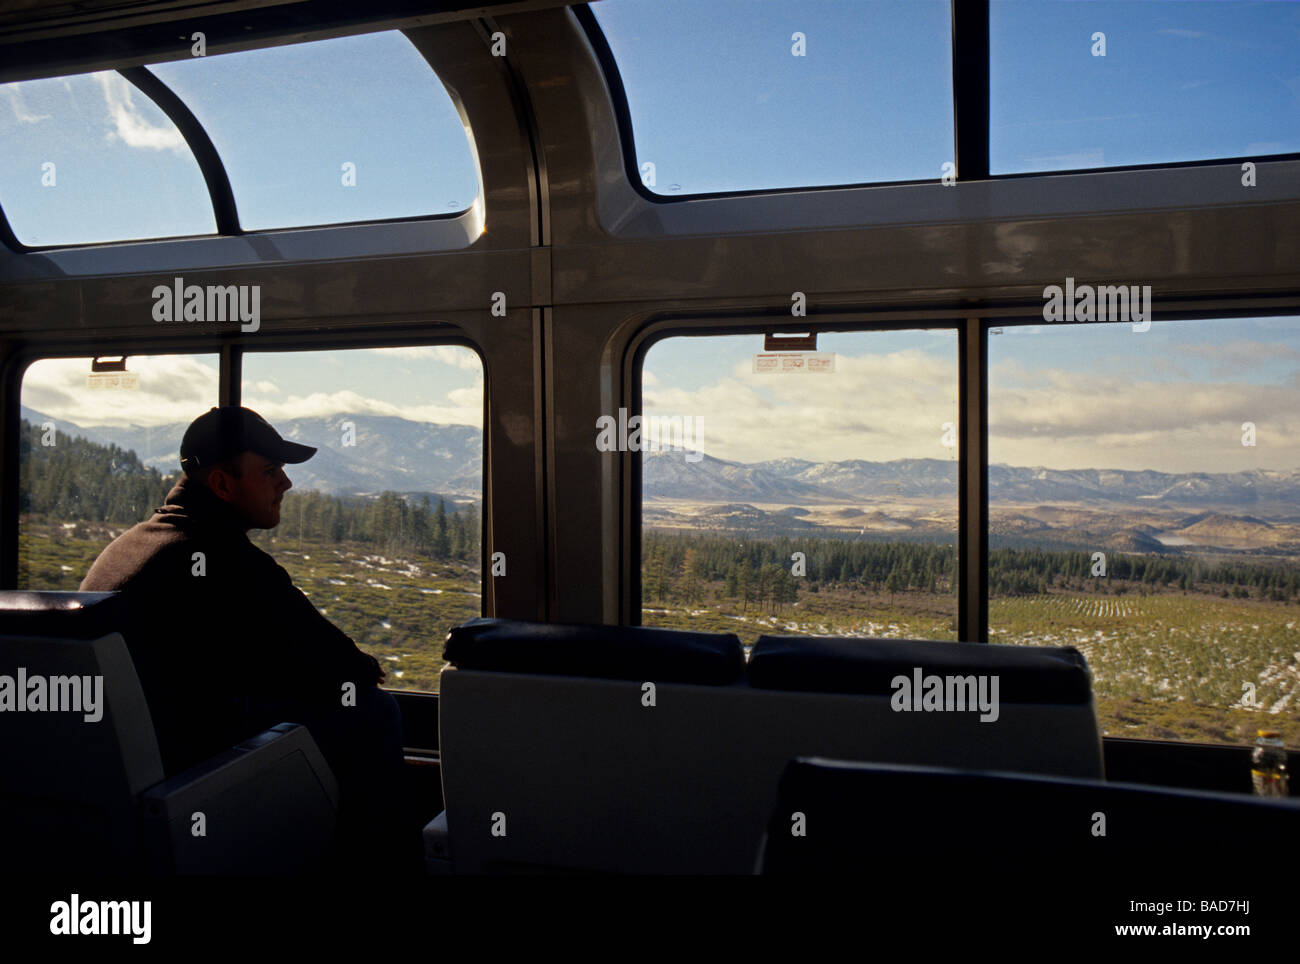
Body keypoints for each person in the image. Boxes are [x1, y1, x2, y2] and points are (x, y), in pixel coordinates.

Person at [80, 406, 411, 873]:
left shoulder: (132, 545)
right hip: (188, 768)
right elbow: (350, 670)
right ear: (221, 484)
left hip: (123, 769)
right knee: (374, 710)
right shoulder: (226, 560)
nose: (286, 484)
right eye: (271, 471)